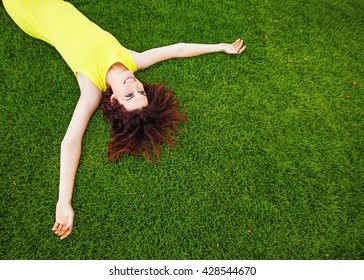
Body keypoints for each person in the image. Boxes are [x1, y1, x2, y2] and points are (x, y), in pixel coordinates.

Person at [4, 0, 246, 240]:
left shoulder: (91, 88)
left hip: (27, 11)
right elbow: (178, 49)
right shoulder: (133, 60)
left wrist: (63, 201)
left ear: (113, 101)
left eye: (129, 95)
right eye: (140, 92)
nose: (134, 85)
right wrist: (218, 46)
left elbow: (70, 141)